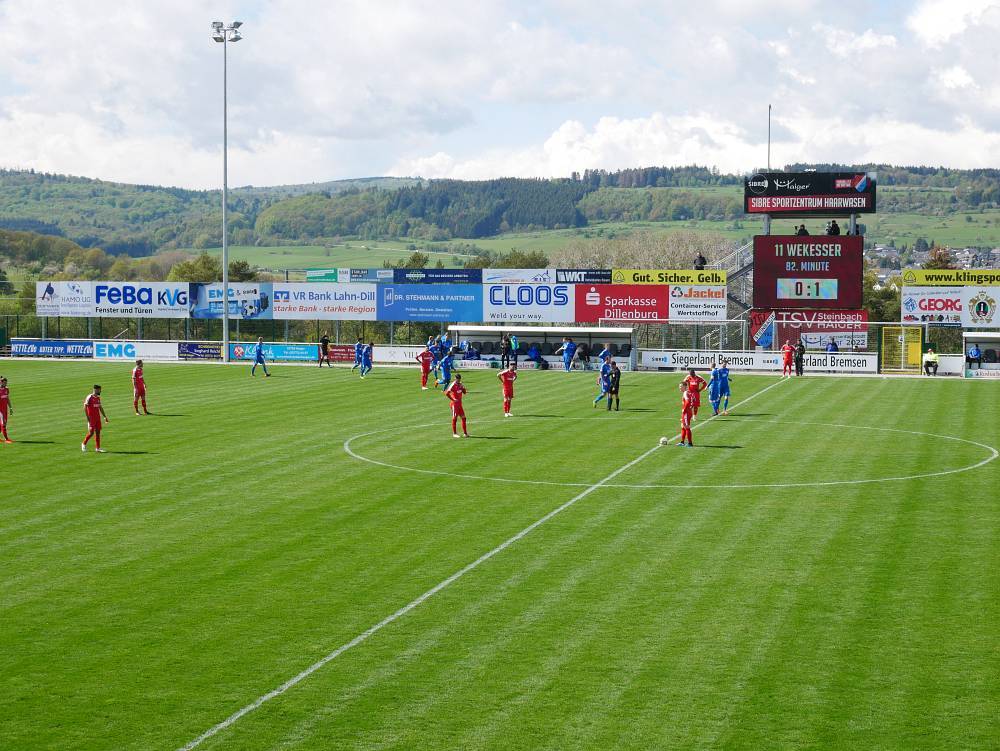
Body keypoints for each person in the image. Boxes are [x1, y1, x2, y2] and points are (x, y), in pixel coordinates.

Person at [82, 384, 108, 453]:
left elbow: (100, 407)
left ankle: (98, 448)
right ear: (95, 390)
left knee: (98, 433)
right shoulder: (89, 397)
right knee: (91, 433)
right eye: (99, 390)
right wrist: (88, 418)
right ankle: (83, 444)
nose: (100, 391)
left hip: (97, 418)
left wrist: (105, 416)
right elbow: (85, 407)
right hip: (91, 419)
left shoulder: (98, 398)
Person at [445, 373, 469, 438]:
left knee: (464, 418)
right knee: (454, 418)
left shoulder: (460, 384)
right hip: (454, 404)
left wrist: (463, 389)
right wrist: (453, 399)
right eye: (457, 379)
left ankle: (465, 433)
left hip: (459, 404)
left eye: (459, 379)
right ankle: (454, 433)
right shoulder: (452, 385)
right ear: (455, 378)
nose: (458, 380)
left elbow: (464, 392)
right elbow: (446, 393)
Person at [0, 376, 13, 443]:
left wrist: (10, 408)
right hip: (0, 410)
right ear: (1, 382)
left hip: (5, 409)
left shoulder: (6, 389)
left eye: (6, 383)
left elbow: (7, 399)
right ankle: (6, 439)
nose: (6, 384)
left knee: (2, 424)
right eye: (4, 383)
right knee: (3, 424)